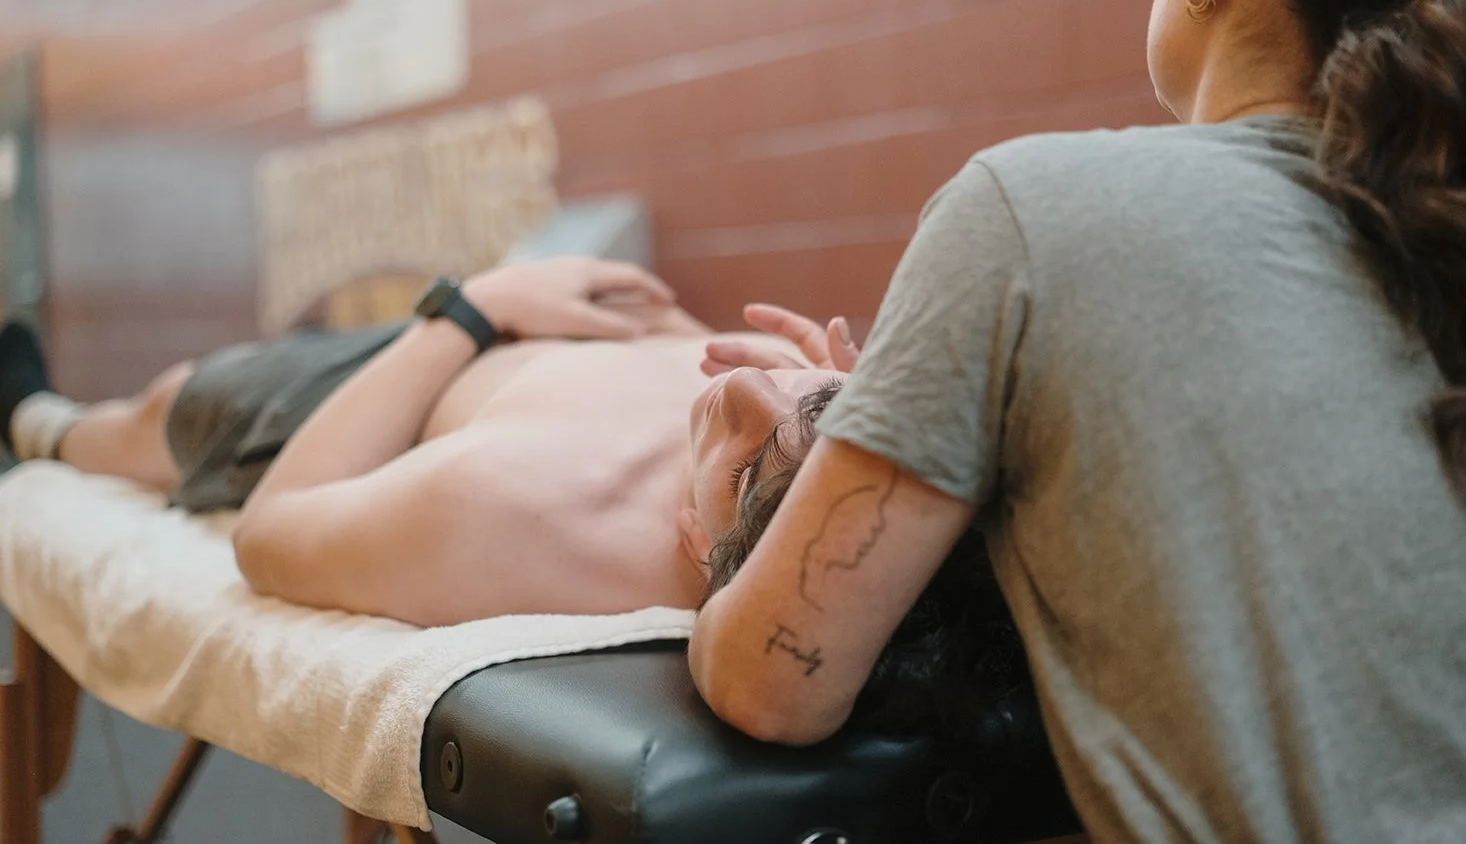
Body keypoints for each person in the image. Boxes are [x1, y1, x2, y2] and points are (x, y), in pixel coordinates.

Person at [690, 0, 1466, 842]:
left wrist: (732, 517)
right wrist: (893, 410)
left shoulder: (1031, 213)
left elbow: (769, 685)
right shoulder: (1434, 242)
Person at [0, 256, 858, 627]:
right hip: (516, 335)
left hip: (401, 388)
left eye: (747, 465)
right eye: (813, 403)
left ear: (705, 548)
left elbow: (268, 535)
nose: (743, 388)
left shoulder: (517, 506)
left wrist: (476, 309)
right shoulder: (816, 416)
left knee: (171, 408)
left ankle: (34, 420)